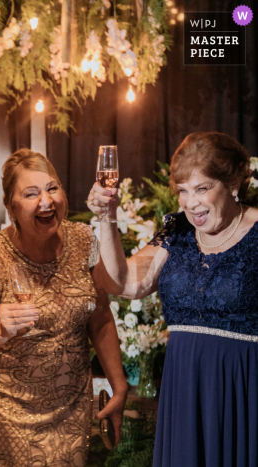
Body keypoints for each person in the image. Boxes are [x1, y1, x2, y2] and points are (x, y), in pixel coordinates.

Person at [88, 132, 258, 467]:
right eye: (183, 190)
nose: (190, 202)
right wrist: (107, 216)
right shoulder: (177, 232)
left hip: (244, 390)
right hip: (185, 389)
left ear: (233, 183)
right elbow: (121, 282)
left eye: (202, 188)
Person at [0, 149, 128, 467]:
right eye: (31, 194)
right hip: (8, 418)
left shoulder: (84, 241)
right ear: (11, 207)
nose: (46, 201)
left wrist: (119, 387)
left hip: (72, 413)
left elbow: (100, 316)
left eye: (52, 188)